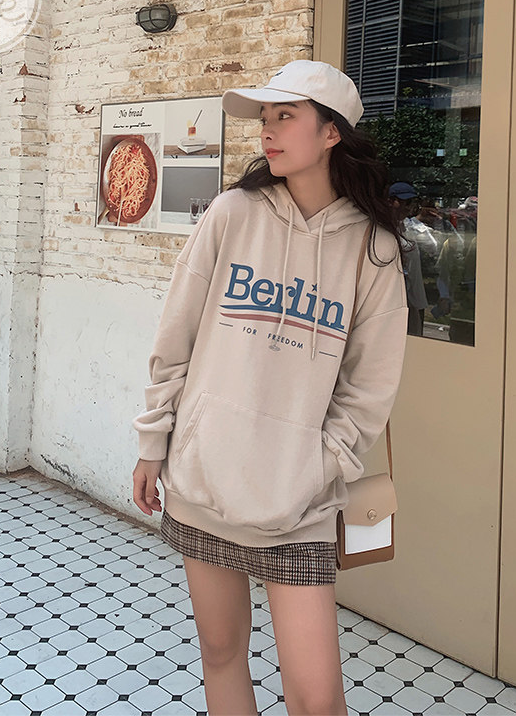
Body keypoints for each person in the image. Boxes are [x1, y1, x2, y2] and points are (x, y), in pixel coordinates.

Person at [131, 59, 408, 715]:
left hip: (298, 502)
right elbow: (176, 338)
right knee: (221, 653)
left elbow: (370, 386)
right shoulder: (232, 214)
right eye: (265, 117)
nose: (268, 130)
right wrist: (155, 442)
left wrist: (319, 464)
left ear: (332, 132)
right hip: (204, 481)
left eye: (286, 116)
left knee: (317, 699)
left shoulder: (372, 249)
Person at [388, 182, 430, 336]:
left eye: (411, 202)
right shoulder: (382, 229)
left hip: (414, 298)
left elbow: (432, 246)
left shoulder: (408, 227)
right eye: (405, 202)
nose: (408, 207)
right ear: (392, 202)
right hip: (396, 300)